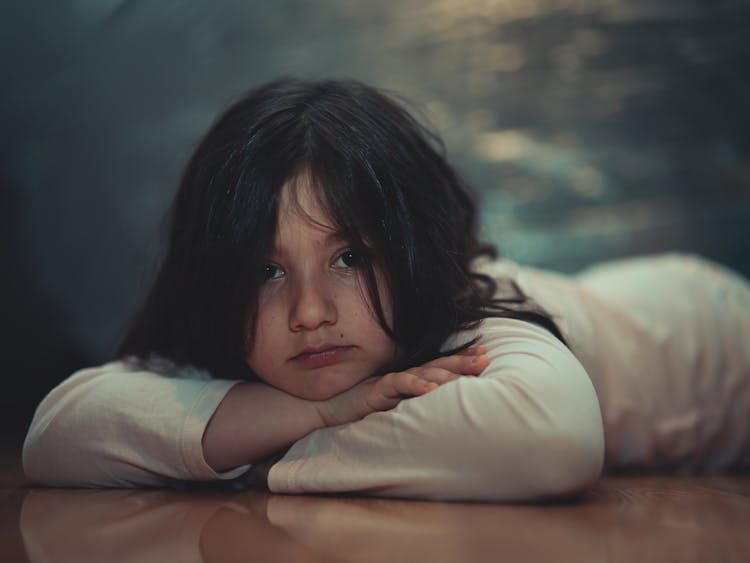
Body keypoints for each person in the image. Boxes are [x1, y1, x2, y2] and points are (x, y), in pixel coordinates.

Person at [22, 79, 750, 502]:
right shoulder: (255, 343)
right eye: (265, 271)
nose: (310, 313)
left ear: (411, 252)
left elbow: (554, 435)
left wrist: (272, 456)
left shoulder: (470, 309)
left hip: (715, 340)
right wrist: (324, 408)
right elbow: (59, 431)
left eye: (351, 257)